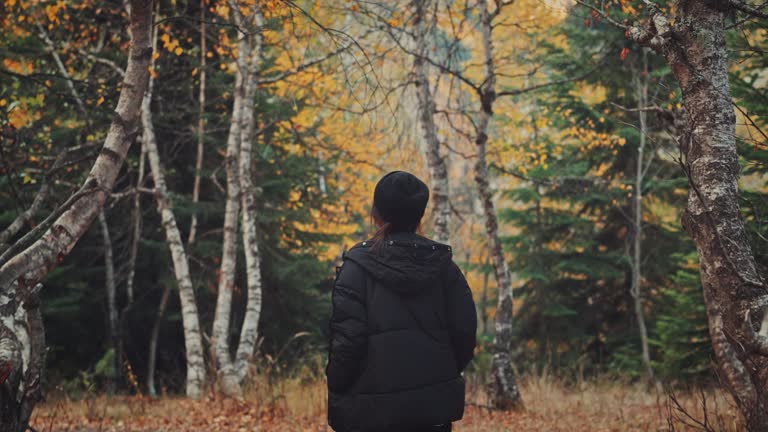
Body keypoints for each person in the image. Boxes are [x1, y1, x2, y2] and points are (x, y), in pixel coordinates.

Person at [326, 171, 478, 432]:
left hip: (369, 414)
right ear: (420, 215)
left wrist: (337, 385)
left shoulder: (355, 269)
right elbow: (464, 335)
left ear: (377, 213)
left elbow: (347, 343)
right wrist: (441, 375)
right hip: (432, 414)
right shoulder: (445, 269)